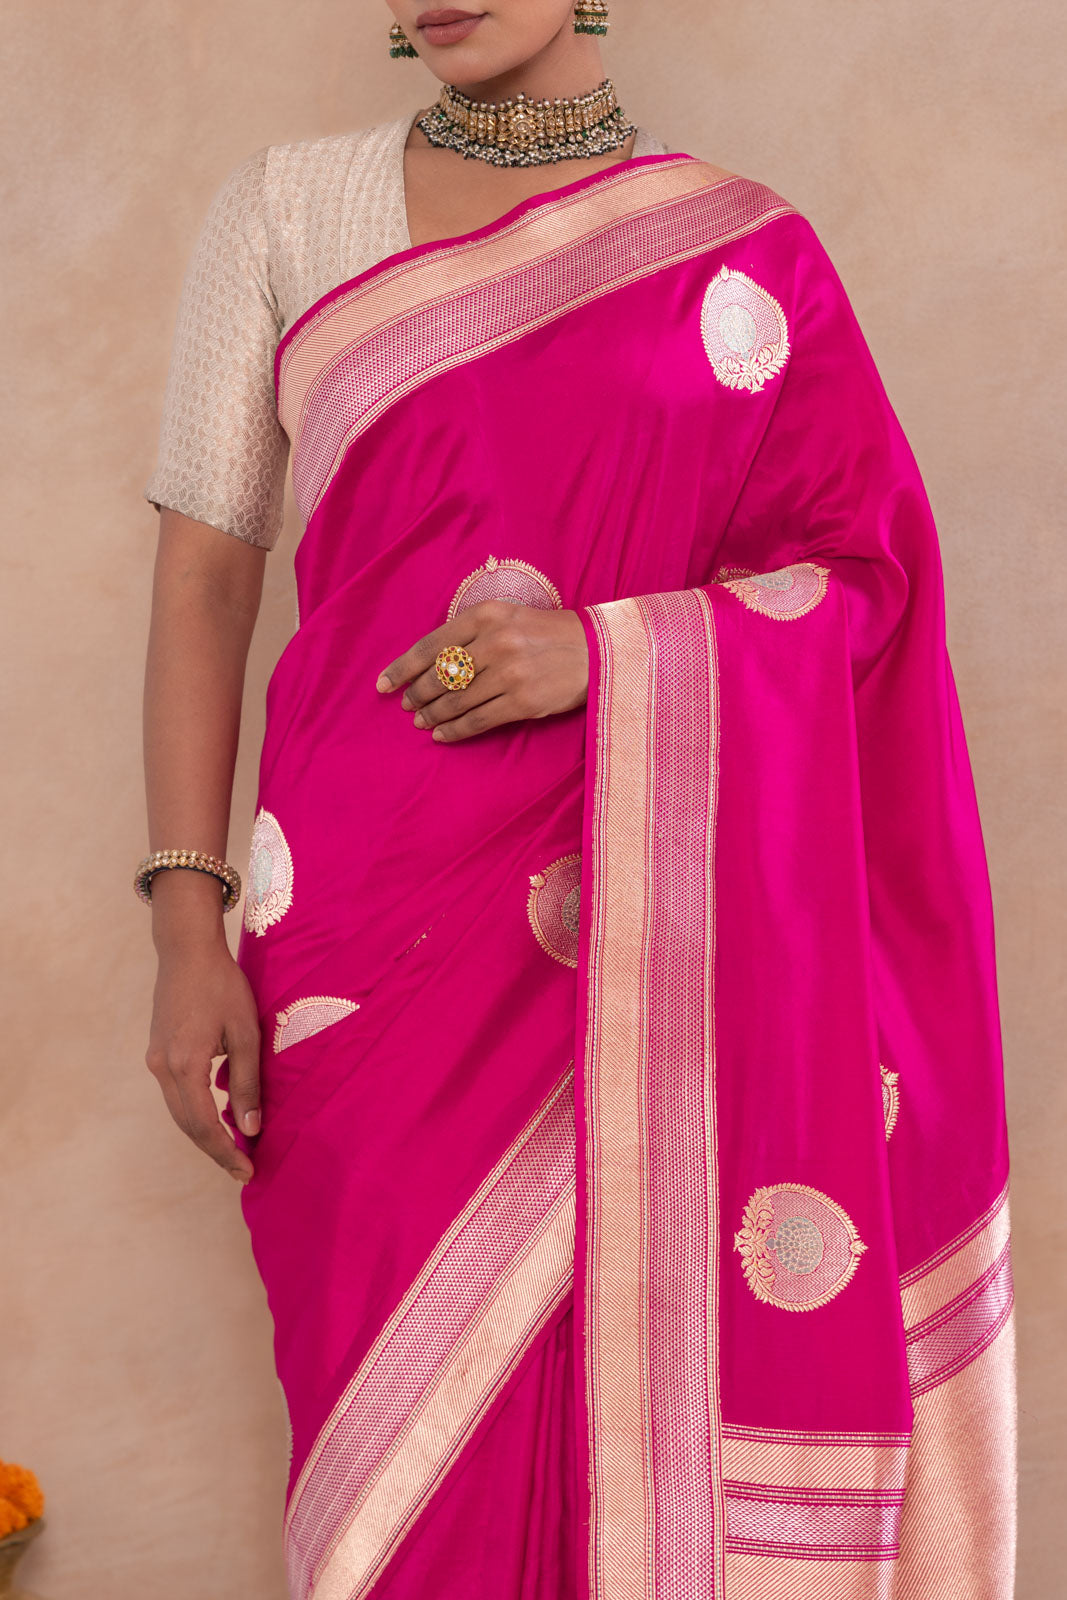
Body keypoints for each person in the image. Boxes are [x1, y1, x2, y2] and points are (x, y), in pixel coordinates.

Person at [138, 4, 1017, 1597]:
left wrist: (608, 654)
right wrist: (184, 926)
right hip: (363, 945)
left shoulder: (747, 258)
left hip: (655, 946)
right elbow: (204, 582)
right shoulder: (284, 210)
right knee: (392, 1471)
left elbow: (868, 593)